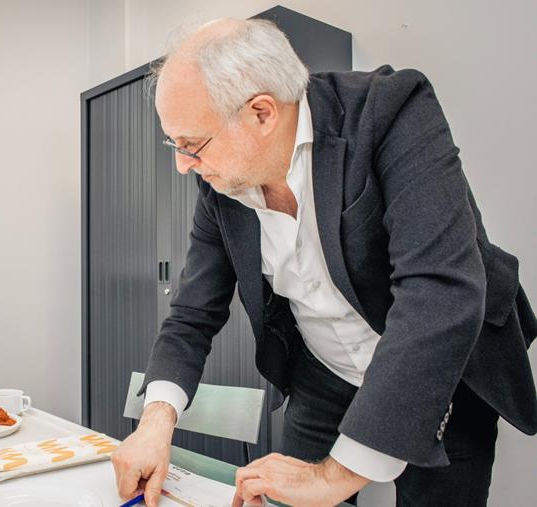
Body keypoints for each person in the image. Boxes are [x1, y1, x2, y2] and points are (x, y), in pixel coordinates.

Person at [111, 18, 536, 507]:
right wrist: (155, 421)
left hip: (440, 369)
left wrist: (333, 478)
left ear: (262, 113)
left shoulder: (392, 110)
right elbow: (192, 312)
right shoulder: (221, 182)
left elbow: (440, 290)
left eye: (191, 145)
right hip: (323, 370)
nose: (183, 165)